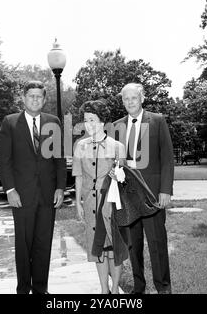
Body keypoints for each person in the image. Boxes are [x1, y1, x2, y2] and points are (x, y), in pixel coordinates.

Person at [0, 80, 67, 294]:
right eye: (31, 96)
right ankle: (23, 288)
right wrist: (10, 190)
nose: (35, 99)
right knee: (24, 244)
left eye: (39, 96)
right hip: (22, 195)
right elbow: (4, 161)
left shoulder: (53, 121)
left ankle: (40, 288)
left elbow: (59, 158)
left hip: (48, 194)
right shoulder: (10, 123)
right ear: (23, 98)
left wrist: (60, 188)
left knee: (43, 243)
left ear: (44, 99)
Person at [114, 83, 174, 294]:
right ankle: (139, 287)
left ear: (142, 98)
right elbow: (114, 162)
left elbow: (167, 158)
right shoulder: (116, 126)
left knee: (157, 242)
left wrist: (165, 190)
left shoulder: (157, 121)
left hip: (153, 194)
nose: (130, 102)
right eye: (126, 99)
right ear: (122, 101)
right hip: (128, 196)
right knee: (133, 244)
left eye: (134, 98)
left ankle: (163, 288)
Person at [72, 100, 129, 294]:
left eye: (93, 120)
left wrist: (118, 176)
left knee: (114, 247)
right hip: (90, 203)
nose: (89, 124)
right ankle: (104, 289)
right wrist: (78, 202)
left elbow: (124, 178)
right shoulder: (80, 146)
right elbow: (78, 176)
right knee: (98, 248)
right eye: (86, 120)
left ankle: (114, 289)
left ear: (103, 122)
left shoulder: (117, 146)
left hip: (111, 203)